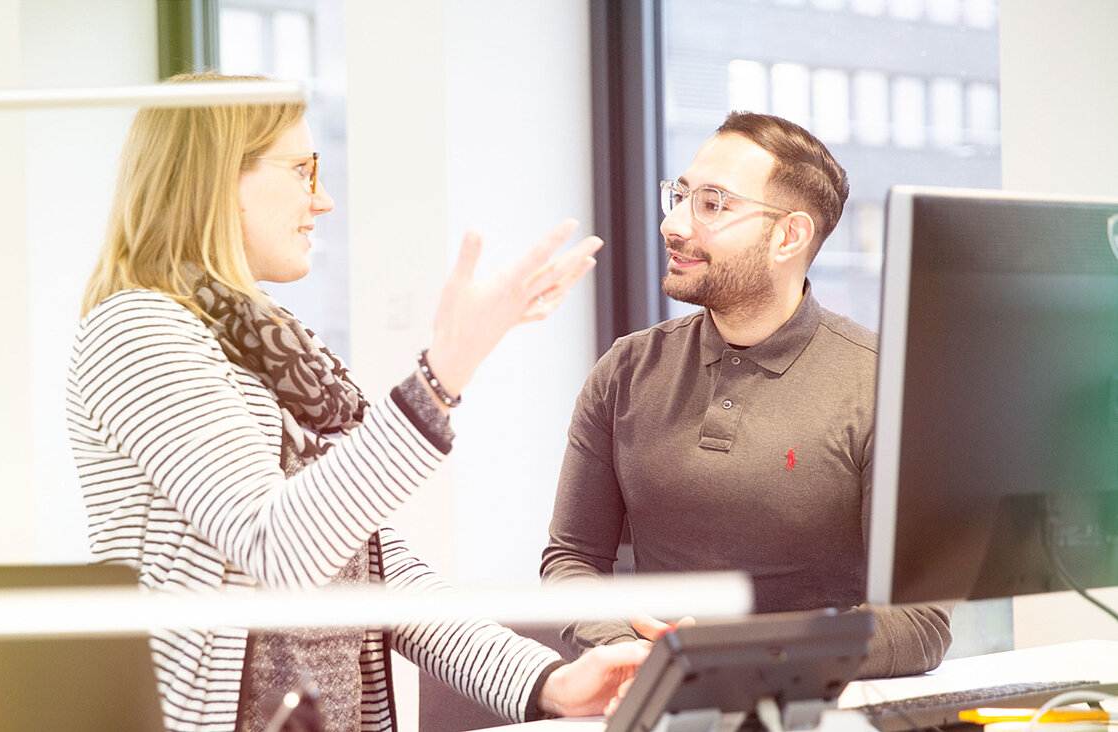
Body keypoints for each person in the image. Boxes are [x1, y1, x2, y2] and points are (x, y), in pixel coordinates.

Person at [66, 73, 649, 732]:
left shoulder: (265, 347)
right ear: (216, 178)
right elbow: (280, 550)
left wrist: (548, 681)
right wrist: (441, 377)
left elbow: (371, 571)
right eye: (301, 170)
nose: (324, 201)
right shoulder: (139, 329)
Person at [540, 111, 952, 679]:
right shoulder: (625, 371)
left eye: (712, 204)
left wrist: (747, 655)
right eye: (679, 196)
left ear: (789, 236)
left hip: (818, 709)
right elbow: (571, 562)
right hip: (659, 702)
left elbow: (919, 623)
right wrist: (622, 653)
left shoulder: (886, 385)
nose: (674, 224)